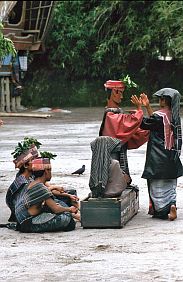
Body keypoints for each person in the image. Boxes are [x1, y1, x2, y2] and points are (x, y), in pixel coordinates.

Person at [134, 88, 183, 220]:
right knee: (170, 186)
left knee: (157, 188)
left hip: (158, 159)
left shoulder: (158, 116)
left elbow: (144, 124)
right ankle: (172, 205)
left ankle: (163, 211)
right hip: (171, 157)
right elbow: (155, 122)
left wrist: (139, 109)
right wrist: (148, 107)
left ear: (163, 100)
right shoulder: (174, 116)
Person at [99, 80, 149, 181]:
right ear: (114, 92)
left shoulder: (115, 114)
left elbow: (135, 132)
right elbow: (128, 125)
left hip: (117, 158)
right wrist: (139, 110)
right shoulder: (110, 115)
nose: (121, 97)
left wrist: (145, 110)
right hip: (112, 160)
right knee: (115, 180)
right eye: (120, 93)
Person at [14, 158, 78, 233]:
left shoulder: (31, 184)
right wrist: (70, 209)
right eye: (50, 170)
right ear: (46, 172)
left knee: (59, 209)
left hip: (21, 221)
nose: (51, 173)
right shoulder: (41, 187)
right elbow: (56, 209)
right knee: (67, 217)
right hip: (28, 223)